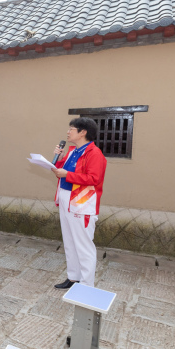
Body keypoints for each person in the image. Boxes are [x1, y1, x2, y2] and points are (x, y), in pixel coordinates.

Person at [51, 117, 107, 289]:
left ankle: (86, 285)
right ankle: (73, 277)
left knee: (84, 245)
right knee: (69, 242)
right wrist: (59, 159)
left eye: (71, 129)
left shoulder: (94, 153)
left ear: (83, 132)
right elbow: (63, 171)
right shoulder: (73, 151)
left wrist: (66, 175)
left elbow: (93, 178)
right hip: (66, 199)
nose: (68, 132)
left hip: (82, 203)